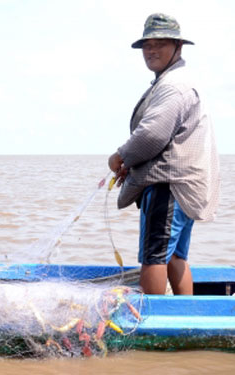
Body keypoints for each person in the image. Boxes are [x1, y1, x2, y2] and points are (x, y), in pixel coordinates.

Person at [107, 13, 220, 295]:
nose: (152, 51)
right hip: (183, 186)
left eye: (161, 43)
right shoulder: (174, 80)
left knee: (154, 257)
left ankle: (152, 321)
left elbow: (152, 135)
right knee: (174, 257)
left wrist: (120, 156)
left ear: (178, 47)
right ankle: (185, 317)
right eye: (147, 45)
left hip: (170, 186)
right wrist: (130, 163)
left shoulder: (173, 85)